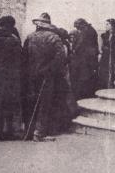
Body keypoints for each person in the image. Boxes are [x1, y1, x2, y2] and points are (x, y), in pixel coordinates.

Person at [23, 13, 66, 141]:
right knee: (44, 103)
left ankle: (28, 131)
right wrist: (49, 70)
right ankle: (39, 132)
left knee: (30, 101)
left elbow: (24, 56)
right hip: (46, 76)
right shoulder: (54, 38)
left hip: (30, 75)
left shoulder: (30, 37)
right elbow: (60, 58)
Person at [73, 18, 99, 98]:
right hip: (91, 57)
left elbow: (81, 43)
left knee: (84, 77)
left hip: (87, 58)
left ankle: (85, 95)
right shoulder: (91, 29)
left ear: (81, 25)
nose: (78, 30)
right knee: (89, 76)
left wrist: (75, 49)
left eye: (78, 27)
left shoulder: (86, 31)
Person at [97, 18, 115, 89]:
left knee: (113, 73)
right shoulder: (103, 36)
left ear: (112, 25)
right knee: (104, 74)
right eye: (106, 24)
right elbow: (101, 48)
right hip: (105, 57)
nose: (106, 26)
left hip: (114, 57)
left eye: (107, 24)